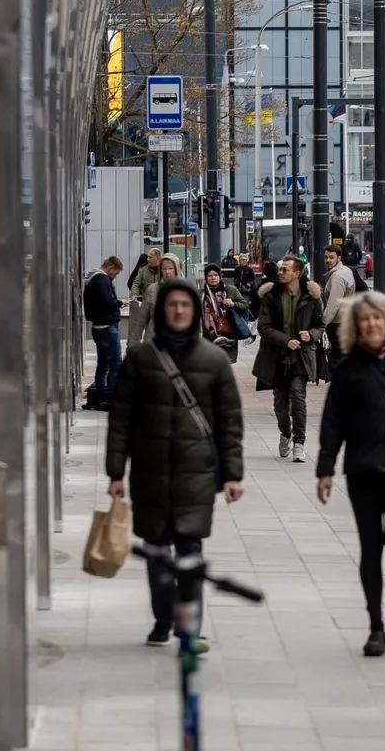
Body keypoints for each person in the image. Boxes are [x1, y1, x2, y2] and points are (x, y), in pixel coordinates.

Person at [105, 277, 245, 648]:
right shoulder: (140, 359)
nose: (179, 310)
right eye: (172, 305)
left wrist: (232, 474)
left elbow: (230, 423)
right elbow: (121, 418)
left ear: (195, 310)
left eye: (186, 304)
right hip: (150, 472)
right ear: (162, 310)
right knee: (155, 552)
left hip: (195, 473)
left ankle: (188, 627)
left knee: (189, 552)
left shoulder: (213, 360)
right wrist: (115, 471)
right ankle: (163, 616)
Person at [315, 290, 385, 657]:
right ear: (356, 327)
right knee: (370, 548)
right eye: (364, 320)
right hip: (363, 471)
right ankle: (375, 625)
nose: (371, 324)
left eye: (377, 318)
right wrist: (325, 469)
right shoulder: (349, 369)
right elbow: (334, 421)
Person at [253, 256, 324, 463]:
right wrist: (286, 341)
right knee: (281, 406)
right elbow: (263, 327)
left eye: (285, 269)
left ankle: (299, 443)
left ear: (297, 274)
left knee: (298, 398)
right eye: (281, 269)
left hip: (301, 359)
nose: (281, 272)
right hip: (276, 358)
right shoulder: (270, 296)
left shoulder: (312, 298)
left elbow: (321, 325)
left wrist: (310, 335)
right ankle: (285, 433)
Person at [83, 256, 124, 410]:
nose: (115, 276)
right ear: (111, 268)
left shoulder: (92, 279)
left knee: (103, 365)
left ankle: (101, 398)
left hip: (97, 327)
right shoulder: (102, 280)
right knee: (115, 363)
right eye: (116, 273)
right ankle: (110, 399)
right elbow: (109, 302)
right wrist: (120, 303)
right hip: (108, 327)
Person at [199, 265, 249, 360]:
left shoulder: (230, 290)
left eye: (216, 275)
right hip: (208, 335)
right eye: (210, 276)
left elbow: (244, 305)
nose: (213, 278)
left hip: (227, 334)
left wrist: (233, 303)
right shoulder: (201, 294)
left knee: (224, 365)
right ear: (206, 278)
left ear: (220, 276)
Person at [322, 244, 356, 370]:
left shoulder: (337, 277)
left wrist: (323, 323)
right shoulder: (346, 271)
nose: (328, 260)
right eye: (326, 257)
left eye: (331, 257)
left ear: (339, 258)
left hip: (338, 324)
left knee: (337, 360)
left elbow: (333, 303)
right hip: (346, 322)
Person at [127, 247, 162, 346]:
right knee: (143, 326)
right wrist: (134, 295)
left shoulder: (163, 270)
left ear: (158, 258)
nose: (148, 259)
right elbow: (136, 283)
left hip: (160, 304)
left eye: (151, 257)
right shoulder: (143, 270)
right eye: (148, 257)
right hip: (146, 303)